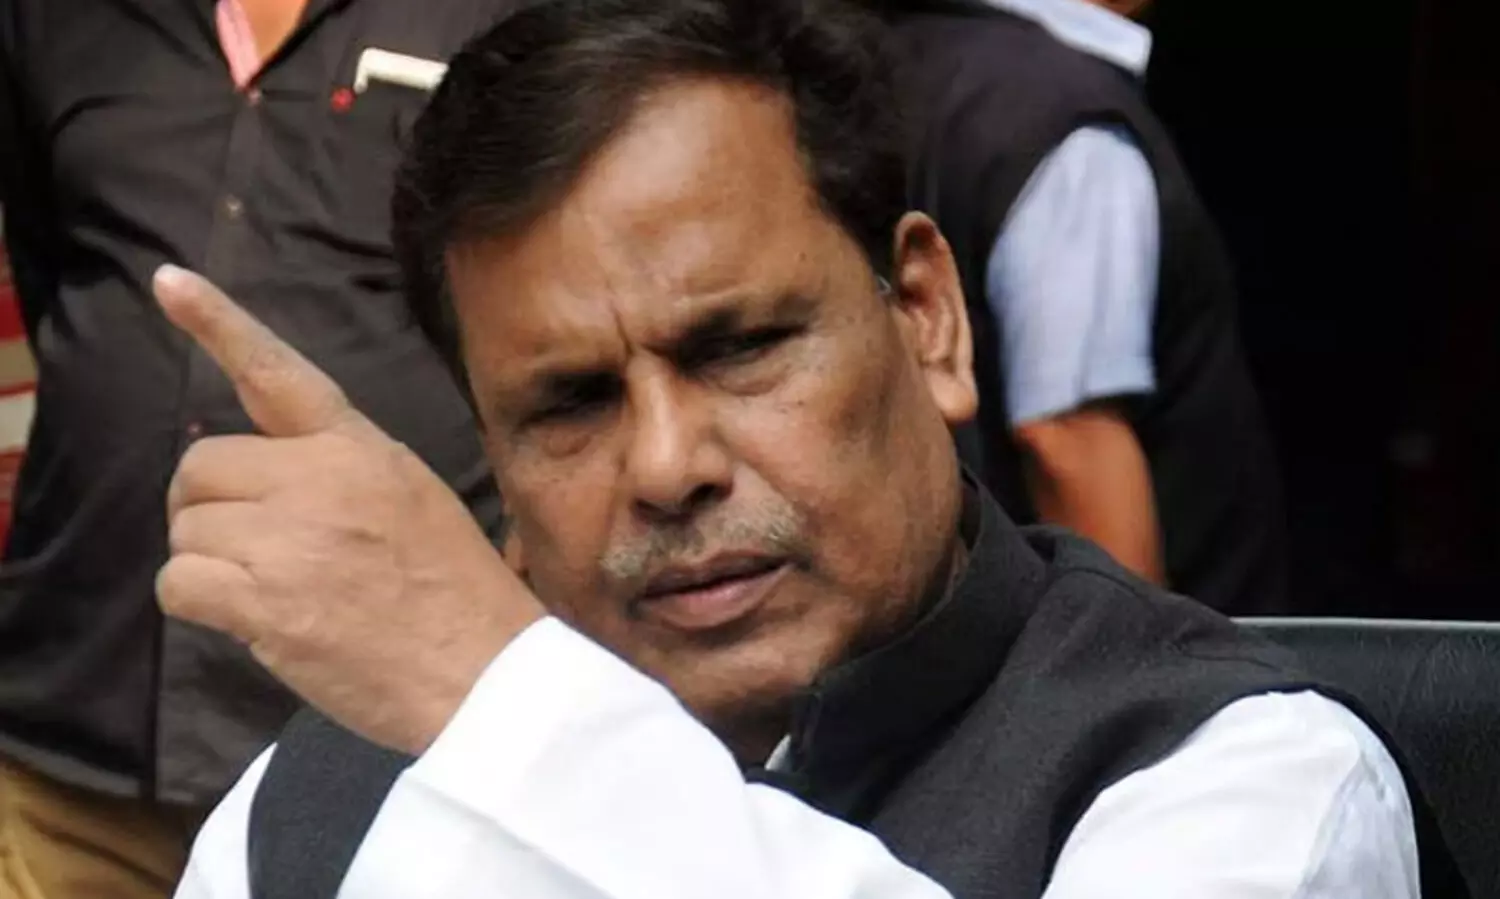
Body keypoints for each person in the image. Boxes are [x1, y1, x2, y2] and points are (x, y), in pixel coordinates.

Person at [162, 1, 1465, 897]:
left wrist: (511, 718)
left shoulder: (1241, 774)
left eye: (739, 347)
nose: (666, 465)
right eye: (570, 402)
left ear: (928, 316)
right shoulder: (313, 807)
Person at [0, 1, 514, 895]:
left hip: (367, 771)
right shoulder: (55, 18)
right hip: (74, 735)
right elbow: (54, 267)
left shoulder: (497, 18)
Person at [882, 0, 1288, 613]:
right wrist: (1138, 665)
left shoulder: (881, 60)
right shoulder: (1070, 125)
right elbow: (1067, 439)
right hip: (1120, 648)